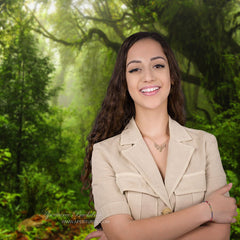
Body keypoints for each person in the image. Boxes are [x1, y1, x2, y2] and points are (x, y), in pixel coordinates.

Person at [82, 32, 237, 240]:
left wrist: (130, 235)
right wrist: (207, 210)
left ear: (171, 75)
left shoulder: (206, 144)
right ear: (125, 82)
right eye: (135, 69)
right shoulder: (104, 153)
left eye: (158, 65)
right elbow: (122, 235)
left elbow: (219, 235)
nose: (148, 76)